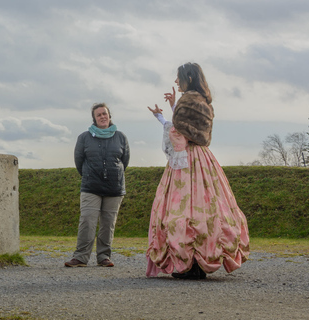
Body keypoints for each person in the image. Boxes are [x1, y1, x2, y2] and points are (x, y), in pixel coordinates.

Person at [146, 62, 250, 279]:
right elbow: (189, 127)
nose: (176, 81)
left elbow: (178, 132)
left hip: (187, 160)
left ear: (189, 78)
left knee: (181, 209)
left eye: (179, 77)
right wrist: (175, 108)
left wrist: (164, 118)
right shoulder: (204, 102)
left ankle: (190, 262)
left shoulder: (187, 102)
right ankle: (202, 258)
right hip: (203, 159)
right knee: (208, 208)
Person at [65, 103, 130, 268]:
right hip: (91, 187)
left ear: (109, 116)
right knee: (87, 221)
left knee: (108, 224)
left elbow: (124, 161)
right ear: (94, 118)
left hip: (114, 188)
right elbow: (79, 162)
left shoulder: (121, 137)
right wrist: (90, 175)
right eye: (99, 114)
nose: (102, 117)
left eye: (105, 114)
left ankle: (103, 257)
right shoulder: (84, 137)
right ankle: (80, 257)